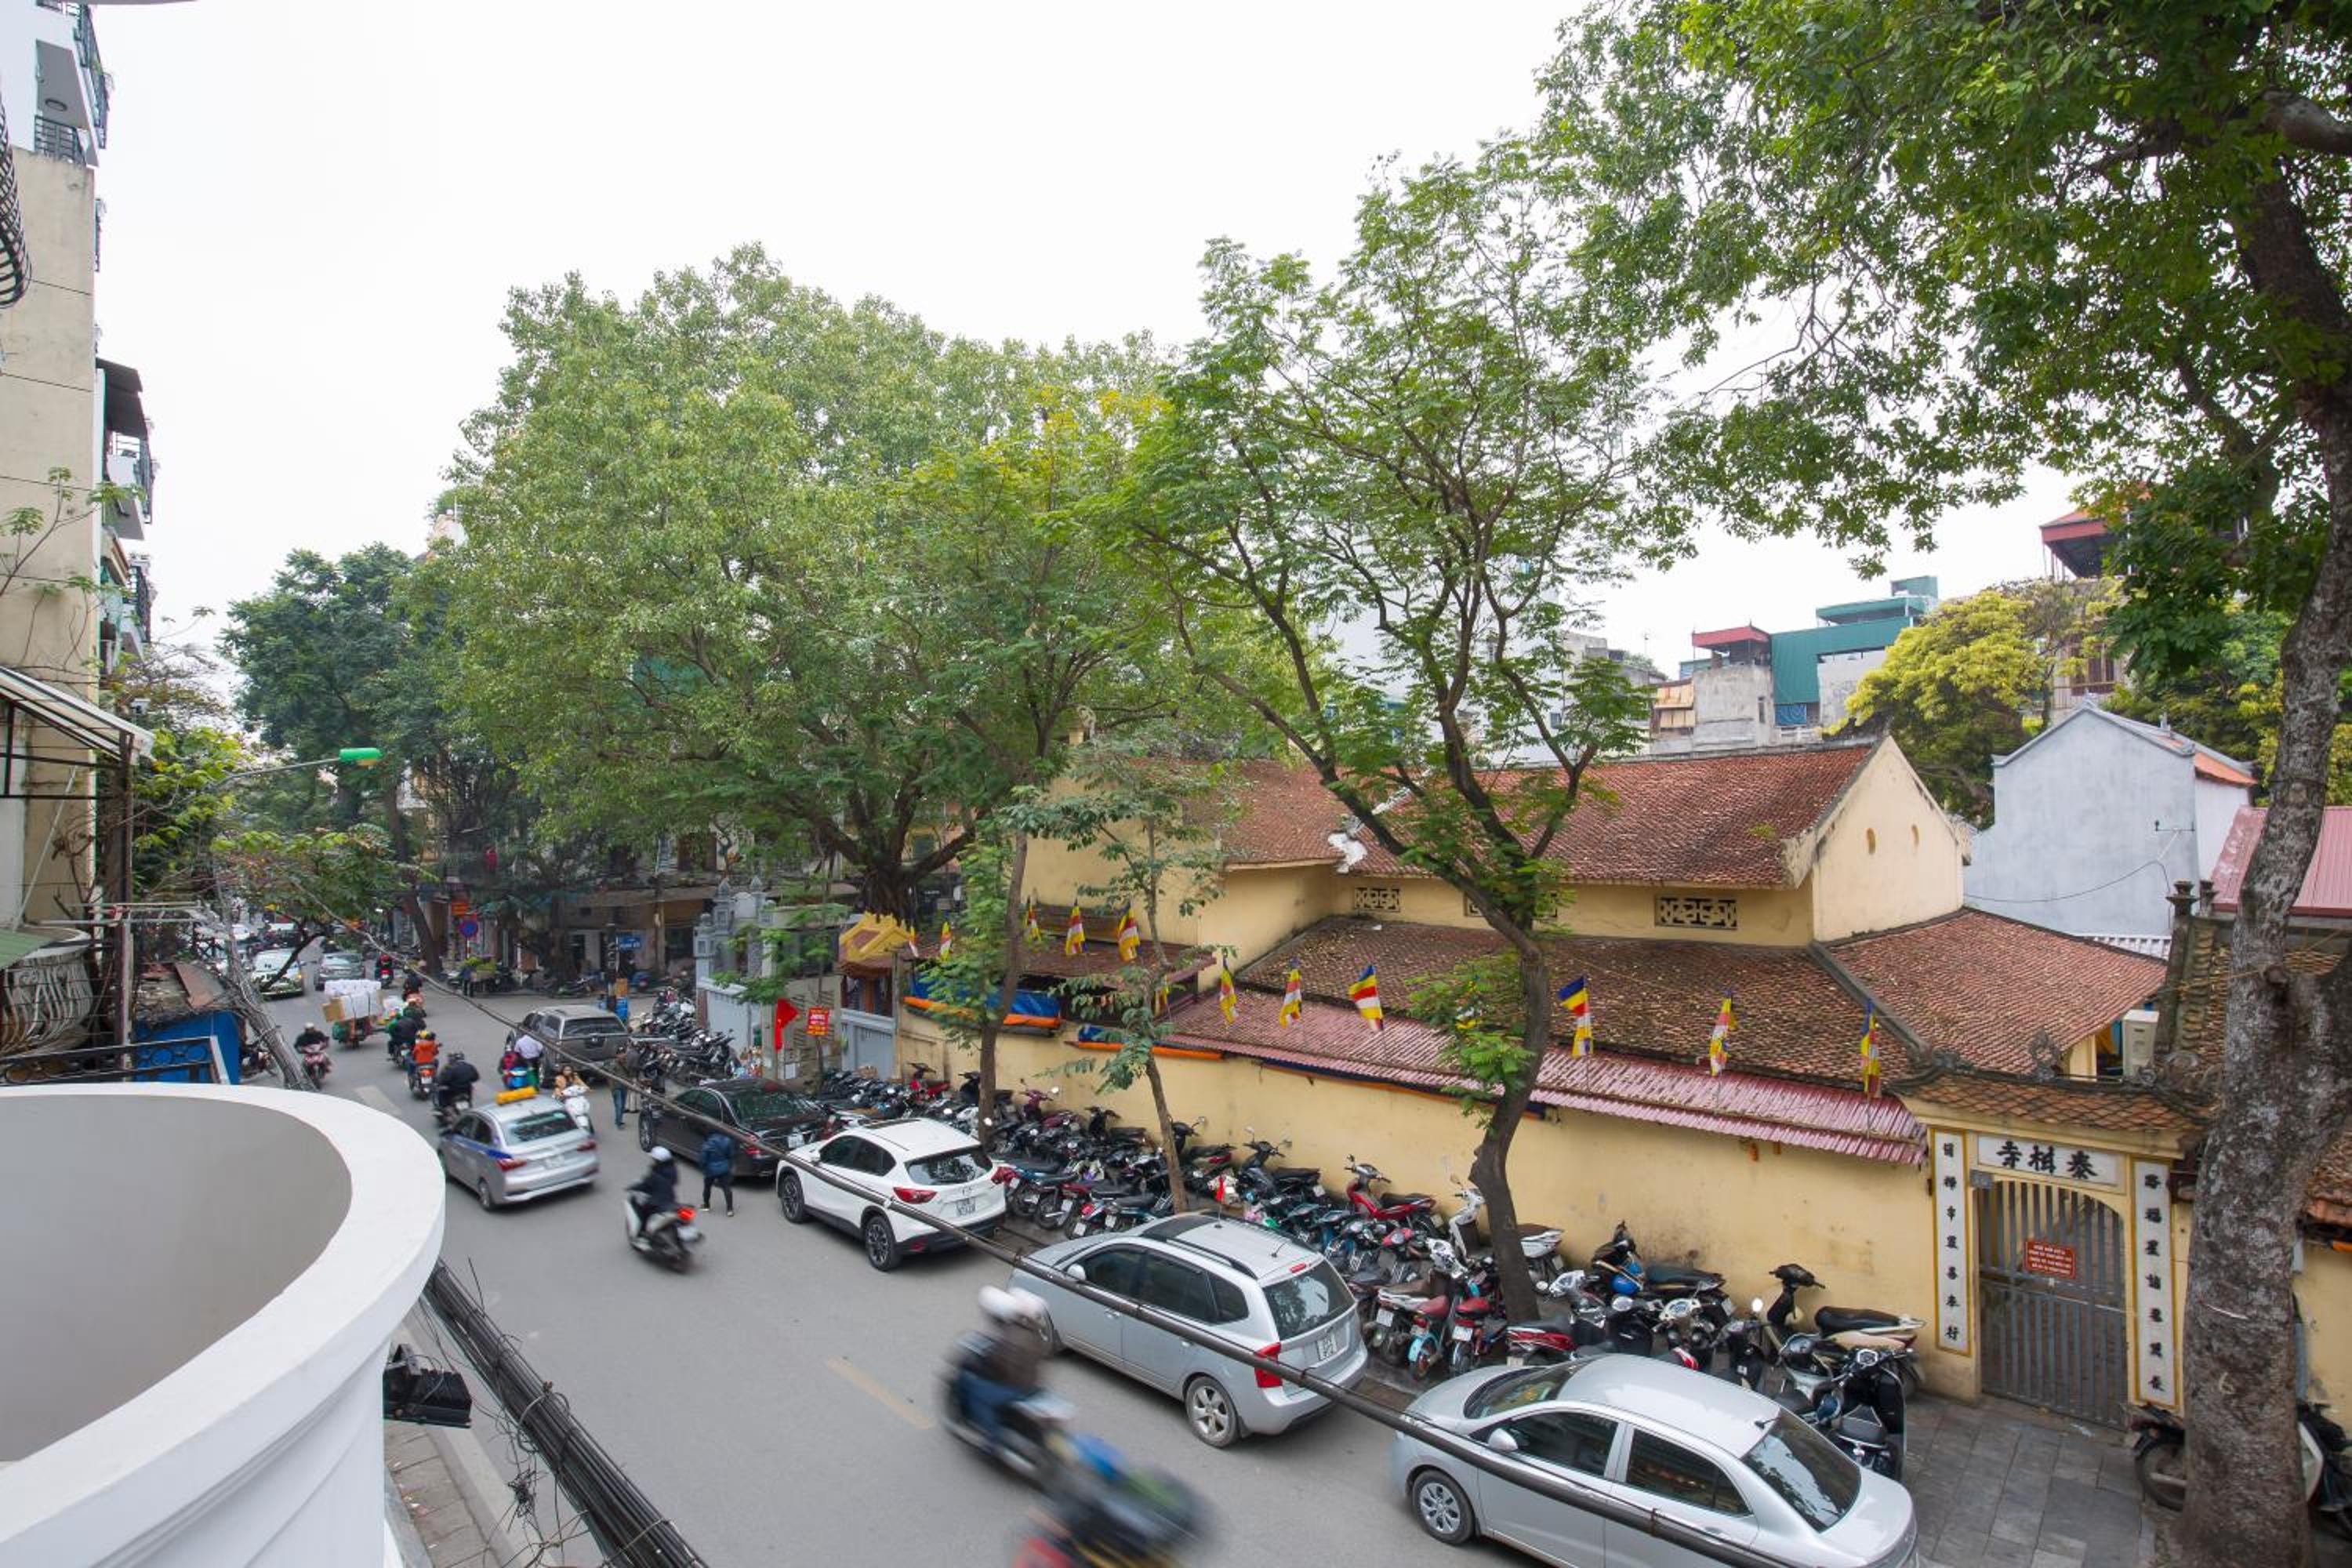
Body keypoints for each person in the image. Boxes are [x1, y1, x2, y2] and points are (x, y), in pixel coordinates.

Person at [960, 1286, 1047, 1446]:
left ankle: (992, 1439)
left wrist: (985, 1361)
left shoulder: (1013, 1336)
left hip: (1015, 1386)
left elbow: (1002, 1365)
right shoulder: (1036, 1331)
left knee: (978, 1395)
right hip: (1032, 1381)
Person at [626, 1147, 677, 1242]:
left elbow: (645, 1185)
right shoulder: (673, 1169)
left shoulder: (656, 1173)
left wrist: (632, 1187)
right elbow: (673, 1182)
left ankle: (642, 1233)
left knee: (643, 1211)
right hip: (671, 1198)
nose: (653, 1161)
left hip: (658, 1201)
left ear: (658, 1161)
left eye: (654, 1159)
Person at [699, 1127, 739, 1217]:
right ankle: (730, 1210)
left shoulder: (707, 1144)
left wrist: (703, 1168)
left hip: (710, 1169)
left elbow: (703, 1159)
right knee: (726, 1188)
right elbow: (731, 1155)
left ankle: (706, 1205)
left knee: (707, 1187)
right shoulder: (727, 1141)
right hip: (724, 1168)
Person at [434, 1051, 480, 1120]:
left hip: (454, 1091)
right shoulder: (470, 1067)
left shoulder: (451, 1068)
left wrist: (440, 1083)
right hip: (467, 1091)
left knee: (441, 1092)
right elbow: (476, 1077)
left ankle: (443, 1109)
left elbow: (444, 1080)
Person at [557, 1068, 592, 1133]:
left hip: (576, 1096)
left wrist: (587, 1088)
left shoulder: (575, 1077)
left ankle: (589, 1124)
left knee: (583, 1104)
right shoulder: (559, 1078)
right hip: (565, 1097)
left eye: (569, 1070)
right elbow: (557, 1087)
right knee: (562, 1111)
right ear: (563, 1071)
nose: (568, 1071)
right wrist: (559, 1094)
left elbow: (581, 1083)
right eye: (566, 1070)